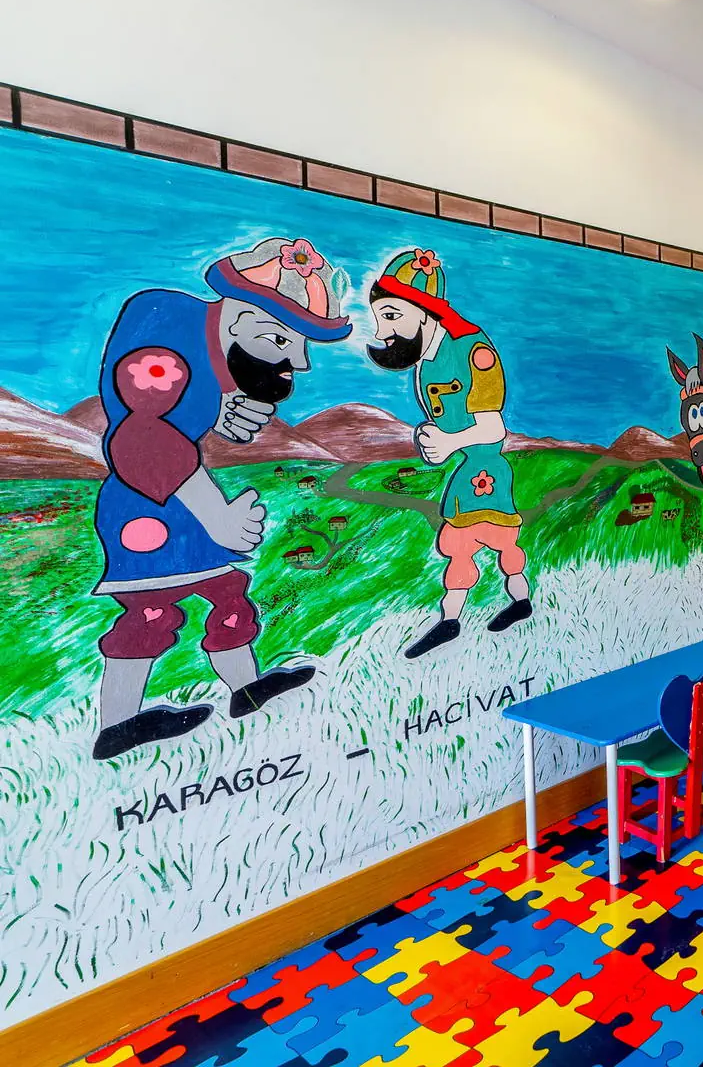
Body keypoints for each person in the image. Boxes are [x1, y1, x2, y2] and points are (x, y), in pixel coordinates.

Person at [90, 237, 351, 760]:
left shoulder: (211, 343)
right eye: (283, 341)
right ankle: (117, 724)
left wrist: (224, 412)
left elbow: (192, 413)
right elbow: (142, 439)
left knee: (227, 592)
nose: (299, 362)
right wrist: (218, 517)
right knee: (150, 610)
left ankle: (245, 688)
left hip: (185, 504)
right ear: (241, 323)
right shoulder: (161, 348)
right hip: (145, 508)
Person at [365, 249, 532, 658]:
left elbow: (494, 428)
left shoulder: (473, 352)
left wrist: (449, 442)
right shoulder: (426, 360)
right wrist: (434, 441)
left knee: (492, 542)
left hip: (486, 471)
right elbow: (448, 424)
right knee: (464, 545)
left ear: (424, 312)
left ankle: (512, 602)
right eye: (380, 318)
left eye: (391, 316)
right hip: (467, 471)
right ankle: (457, 618)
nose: (383, 331)